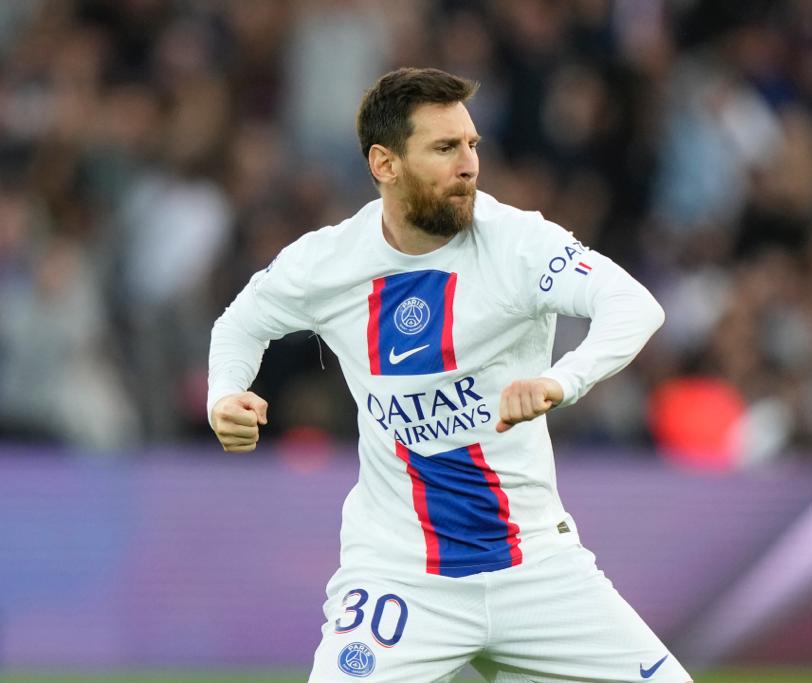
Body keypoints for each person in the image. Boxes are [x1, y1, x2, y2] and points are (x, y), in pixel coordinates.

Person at [208, 67, 691, 683]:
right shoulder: (328, 262)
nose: (468, 164)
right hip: (401, 576)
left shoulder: (518, 243)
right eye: (444, 148)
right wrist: (225, 392)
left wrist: (559, 382)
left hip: (535, 567)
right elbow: (240, 323)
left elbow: (635, 306)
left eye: (471, 145)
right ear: (385, 164)